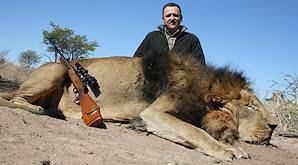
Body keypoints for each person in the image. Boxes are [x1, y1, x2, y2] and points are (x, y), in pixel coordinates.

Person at [134, 2, 206, 65]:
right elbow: (136, 60)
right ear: (163, 18)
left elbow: (200, 66)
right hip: (155, 79)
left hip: (182, 80)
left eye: (175, 15)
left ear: (181, 18)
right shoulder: (152, 36)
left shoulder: (192, 39)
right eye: (168, 15)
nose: (172, 18)